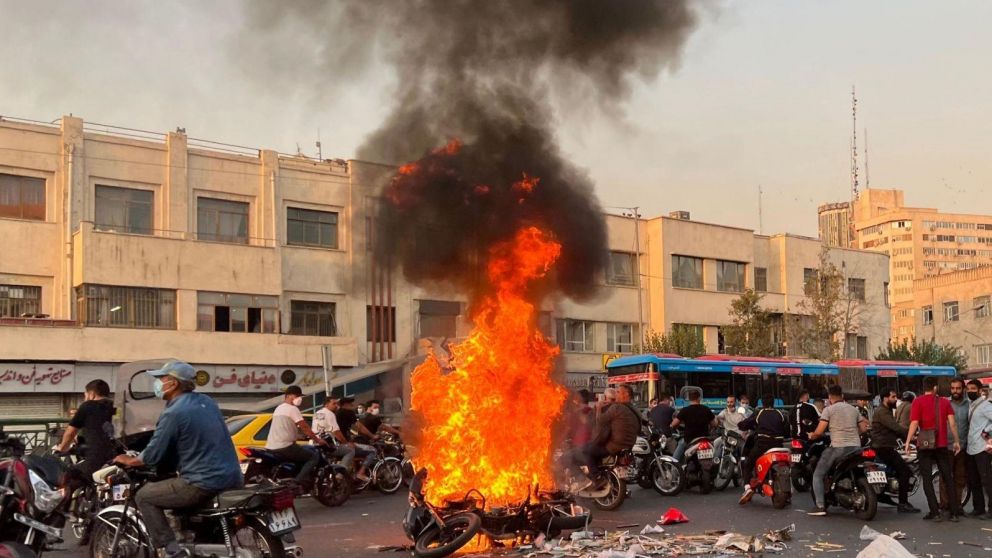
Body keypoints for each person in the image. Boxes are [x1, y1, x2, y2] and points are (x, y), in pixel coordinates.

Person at [112, 360, 242, 558]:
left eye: (161, 379)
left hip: (202, 481)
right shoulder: (207, 402)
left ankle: (171, 550)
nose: (157, 383)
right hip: (232, 476)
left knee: (144, 496)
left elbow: (152, 455)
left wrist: (129, 460)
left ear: (173, 383)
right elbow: (192, 439)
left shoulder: (174, 412)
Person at [906, 377, 963, 522]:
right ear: (935, 388)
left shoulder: (917, 401)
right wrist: (956, 441)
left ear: (923, 387)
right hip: (942, 445)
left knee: (927, 479)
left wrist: (907, 441)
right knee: (948, 477)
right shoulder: (944, 402)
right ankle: (954, 512)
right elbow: (952, 423)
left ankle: (934, 512)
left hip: (924, 445)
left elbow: (914, 423)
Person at [807, 384, 869, 516]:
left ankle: (820, 506)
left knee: (818, 474)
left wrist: (812, 435)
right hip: (856, 447)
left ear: (829, 397)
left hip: (838, 448)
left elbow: (819, 431)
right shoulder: (853, 409)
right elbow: (864, 429)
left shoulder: (828, 410)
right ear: (842, 396)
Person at [576, 385, 640, 490]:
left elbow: (601, 420)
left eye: (618, 392)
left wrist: (599, 408)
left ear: (626, 394)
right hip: (628, 445)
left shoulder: (617, 407)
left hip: (615, 446)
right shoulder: (633, 408)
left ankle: (597, 478)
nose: (616, 394)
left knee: (586, 450)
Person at [265, 385, 328, 487]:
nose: (300, 399)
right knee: (313, 456)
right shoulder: (292, 409)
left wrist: (299, 436)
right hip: (285, 446)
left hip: (270, 446)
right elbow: (304, 427)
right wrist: (317, 440)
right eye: (297, 396)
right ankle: (297, 481)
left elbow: (284, 428)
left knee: (301, 451)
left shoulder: (278, 408)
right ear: (289, 396)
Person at [871, 389, 919, 513]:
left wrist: (907, 439)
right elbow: (896, 427)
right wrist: (911, 436)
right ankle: (903, 503)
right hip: (883, 447)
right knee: (904, 471)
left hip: (885, 445)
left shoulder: (887, 410)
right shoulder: (882, 412)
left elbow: (894, 430)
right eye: (893, 397)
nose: (895, 399)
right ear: (885, 398)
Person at [737, 394, 789, 505]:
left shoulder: (759, 413)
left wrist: (740, 424)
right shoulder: (781, 414)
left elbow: (745, 424)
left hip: (763, 445)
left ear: (762, 403)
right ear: (773, 403)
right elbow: (787, 431)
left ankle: (747, 488)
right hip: (779, 444)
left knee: (748, 463)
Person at [941, 378, 982, 516]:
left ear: (963, 389)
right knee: (945, 477)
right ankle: (945, 506)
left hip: (963, 446)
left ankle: (957, 505)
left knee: (960, 478)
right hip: (946, 445)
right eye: (953, 388)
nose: (955, 391)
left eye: (958, 388)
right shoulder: (945, 403)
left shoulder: (969, 405)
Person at [965, 379, 992, 519]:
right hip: (971, 447)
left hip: (982, 448)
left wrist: (987, 431)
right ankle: (978, 508)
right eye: (968, 388)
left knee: (987, 480)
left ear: (980, 390)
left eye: (973, 388)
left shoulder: (986, 405)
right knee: (973, 480)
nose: (970, 391)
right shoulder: (970, 405)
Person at [335, 397, 377, 482]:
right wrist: (372, 436)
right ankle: (361, 472)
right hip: (344, 444)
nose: (353, 405)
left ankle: (352, 471)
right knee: (372, 450)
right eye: (351, 403)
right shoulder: (348, 412)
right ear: (346, 404)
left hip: (335, 443)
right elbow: (359, 426)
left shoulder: (336, 413)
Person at [312, 396, 356, 471]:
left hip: (316, 443)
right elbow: (336, 432)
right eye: (334, 404)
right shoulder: (330, 414)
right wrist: (346, 443)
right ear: (326, 405)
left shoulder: (317, 413)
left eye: (336, 404)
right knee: (350, 451)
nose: (336, 405)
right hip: (327, 445)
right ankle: (340, 473)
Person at [670, 389, 716, 461]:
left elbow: (673, 424)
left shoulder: (685, 410)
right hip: (704, 439)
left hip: (689, 440)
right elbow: (714, 424)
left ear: (689, 399)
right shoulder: (706, 409)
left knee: (676, 457)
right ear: (699, 398)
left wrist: (675, 426)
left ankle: (673, 467)